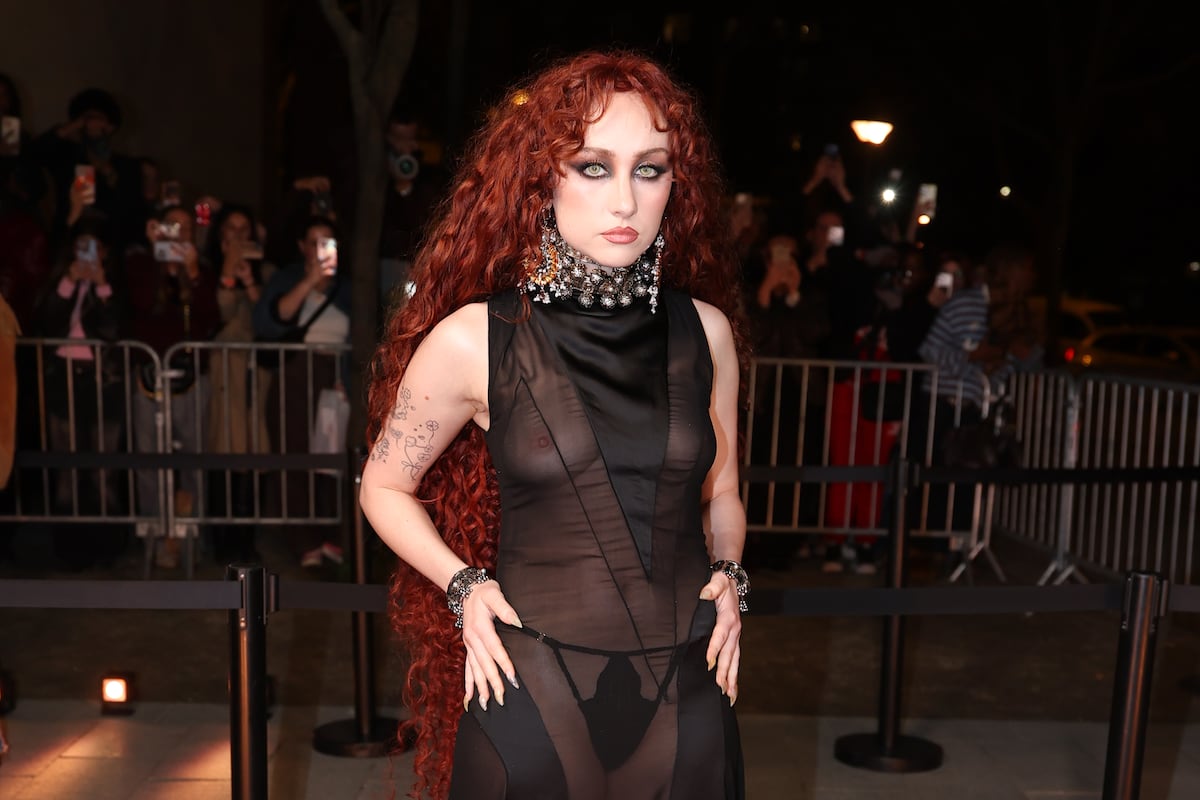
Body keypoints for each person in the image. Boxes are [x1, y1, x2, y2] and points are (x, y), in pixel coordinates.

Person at [359, 50, 749, 799]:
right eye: (593, 167)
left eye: (651, 169)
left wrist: (731, 574)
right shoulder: (476, 339)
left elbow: (723, 492)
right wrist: (463, 585)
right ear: (543, 179)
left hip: (690, 683)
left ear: (677, 183)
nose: (625, 200)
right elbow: (382, 485)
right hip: (529, 687)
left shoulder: (706, 335)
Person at [253, 214, 349, 568]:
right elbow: (268, 323)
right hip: (294, 372)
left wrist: (347, 375)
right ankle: (303, 540)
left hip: (335, 376)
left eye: (328, 242)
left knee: (333, 458)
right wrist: (309, 281)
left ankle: (335, 537)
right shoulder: (287, 278)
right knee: (294, 454)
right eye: (314, 242)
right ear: (302, 247)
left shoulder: (348, 287)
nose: (321, 249)